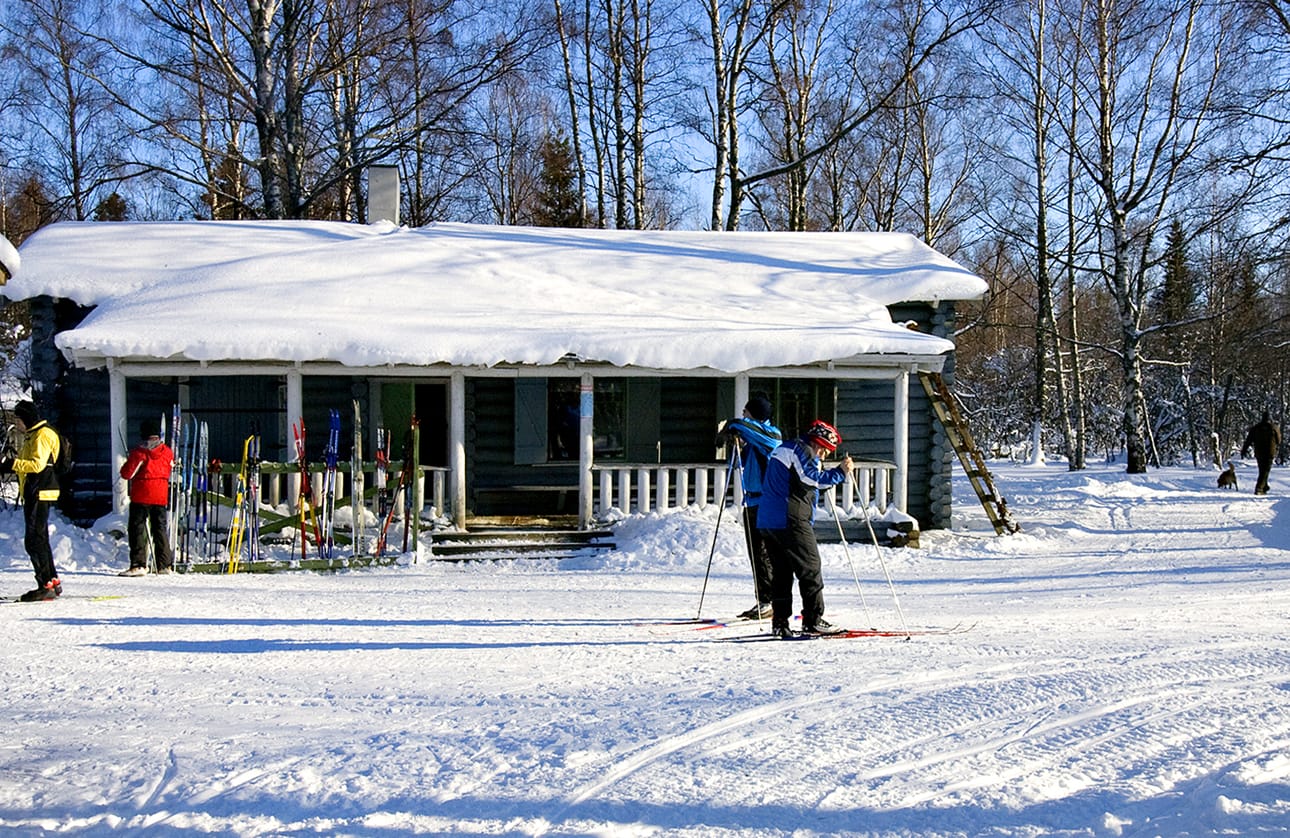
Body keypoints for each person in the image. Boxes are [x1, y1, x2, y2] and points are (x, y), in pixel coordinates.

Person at [757, 419, 853, 638]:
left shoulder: (786, 448)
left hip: (768, 519)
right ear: (819, 443)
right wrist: (840, 472)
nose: (824, 456)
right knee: (810, 567)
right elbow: (812, 479)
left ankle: (780, 622)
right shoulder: (802, 449)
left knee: (781, 572)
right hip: (789, 518)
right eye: (826, 451)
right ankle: (813, 619)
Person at [717, 393, 782, 620]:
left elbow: (737, 423)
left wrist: (734, 427)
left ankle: (772, 600)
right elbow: (735, 463)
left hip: (767, 501)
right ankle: (765, 599)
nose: (743, 414)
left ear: (755, 414)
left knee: (764, 553)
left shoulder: (770, 435)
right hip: (752, 500)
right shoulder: (754, 441)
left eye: (746, 411)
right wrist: (735, 443)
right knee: (757, 553)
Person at [0, 401, 64, 601]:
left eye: (18, 420)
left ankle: (45, 584)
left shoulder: (42, 435)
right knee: (40, 538)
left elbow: (37, 464)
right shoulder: (33, 435)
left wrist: (10, 463)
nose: (17, 425)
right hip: (36, 491)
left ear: (26, 419)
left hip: (41, 491)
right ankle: (52, 580)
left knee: (34, 540)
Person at [119, 418, 175, 575]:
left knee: (137, 528)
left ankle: (139, 564)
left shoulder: (140, 452)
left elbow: (126, 474)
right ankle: (164, 564)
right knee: (160, 529)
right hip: (161, 495)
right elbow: (170, 467)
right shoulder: (167, 452)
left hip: (142, 494)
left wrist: (128, 460)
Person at [1242, 410, 1281, 496]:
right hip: (1270, 452)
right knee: (1265, 471)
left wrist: (1244, 450)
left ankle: (1265, 486)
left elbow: (1249, 440)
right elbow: (1279, 440)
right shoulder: (1274, 428)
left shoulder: (1256, 428)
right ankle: (1259, 488)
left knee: (1262, 470)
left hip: (1259, 452)